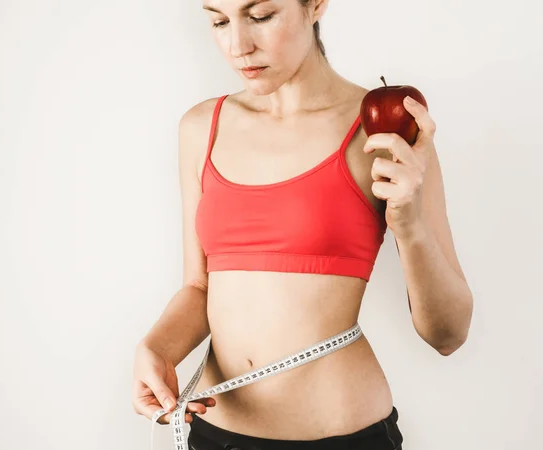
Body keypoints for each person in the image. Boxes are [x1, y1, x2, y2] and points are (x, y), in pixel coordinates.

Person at [132, 1, 474, 449]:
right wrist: (157, 349)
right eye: (218, 20)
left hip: (343, 436)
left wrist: (409, 227)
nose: (238, 45)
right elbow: (199, 288)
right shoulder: (202, 128)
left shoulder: (384, 133)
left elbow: (448, 335)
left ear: (315, 5)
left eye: (260, 16)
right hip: (216, 435)